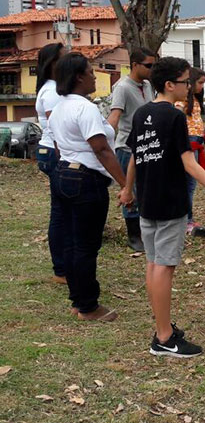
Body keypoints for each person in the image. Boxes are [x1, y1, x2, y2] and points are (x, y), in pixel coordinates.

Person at [120, 57, 205, 357]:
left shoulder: (141, 114)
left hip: (148, 201)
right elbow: (189, 163)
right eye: (185, 82)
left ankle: (161, 327)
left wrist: (128, 190)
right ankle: (164, 338)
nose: (189, 87)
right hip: (169, 202)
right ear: (169, 85)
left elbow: (136, 157)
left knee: (154, 263)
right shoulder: (174, 117)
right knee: (164, 267)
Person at [48, 53, 128, 322]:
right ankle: (88, 306)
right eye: (91, 72)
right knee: (85, 246)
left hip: (63, 172)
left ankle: (77, 299)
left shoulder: (60, 108)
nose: (95, 76)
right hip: (85, 179)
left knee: (72, 242)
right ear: (79, 77)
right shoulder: (85, 108)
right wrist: (126, 184)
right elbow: (102, 149)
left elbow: (60, 145)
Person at [108, 46, 157, 251]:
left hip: (148, 145)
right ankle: (133, 234)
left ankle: (146, 232)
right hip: (127, 148)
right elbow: (115, 116)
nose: (151, 69)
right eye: (148, 65)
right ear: (135, 64)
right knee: (130, 190)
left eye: (153, 65)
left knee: (146, 189)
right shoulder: (122, 87)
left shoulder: (147, 85)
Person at [34, 42, 67, 284]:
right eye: (64, 57)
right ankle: (61, 270)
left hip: (52, 152)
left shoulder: (54, 89)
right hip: (55, 153)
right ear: (53, 63)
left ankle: (62, 268)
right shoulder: (53, 92)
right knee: (61, 213)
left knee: (61, 211)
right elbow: (58, 129)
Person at [175, 67, 205, 234]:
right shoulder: (181, 101)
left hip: (197, 143)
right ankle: (186, 220)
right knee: (188, 184)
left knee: (190, 184)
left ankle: (186, 219)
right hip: (188, 144)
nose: (201, 87)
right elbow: (175, 117)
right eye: (200, 83)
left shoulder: (196, 102)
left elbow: (199, 122)